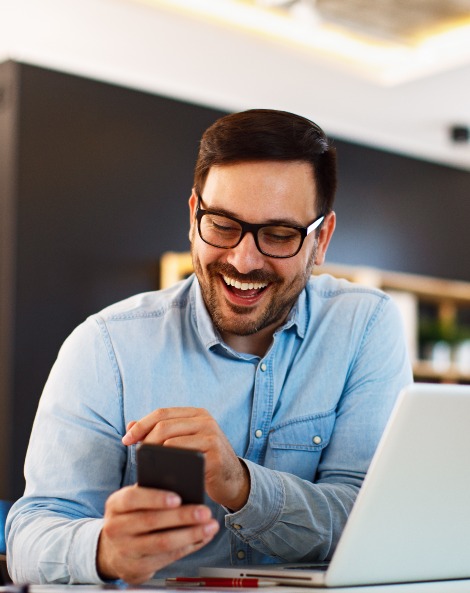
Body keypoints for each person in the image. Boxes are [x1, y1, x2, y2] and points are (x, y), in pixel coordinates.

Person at [6, 109, 412, 585]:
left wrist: (241, 485)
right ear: (193, 213)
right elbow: (30, 536)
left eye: (279, 235)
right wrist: (103, 551)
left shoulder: (366, 326)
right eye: (222, 224)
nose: (243, 260)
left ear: (320, 239)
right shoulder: (105, 346)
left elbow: (370, 522)